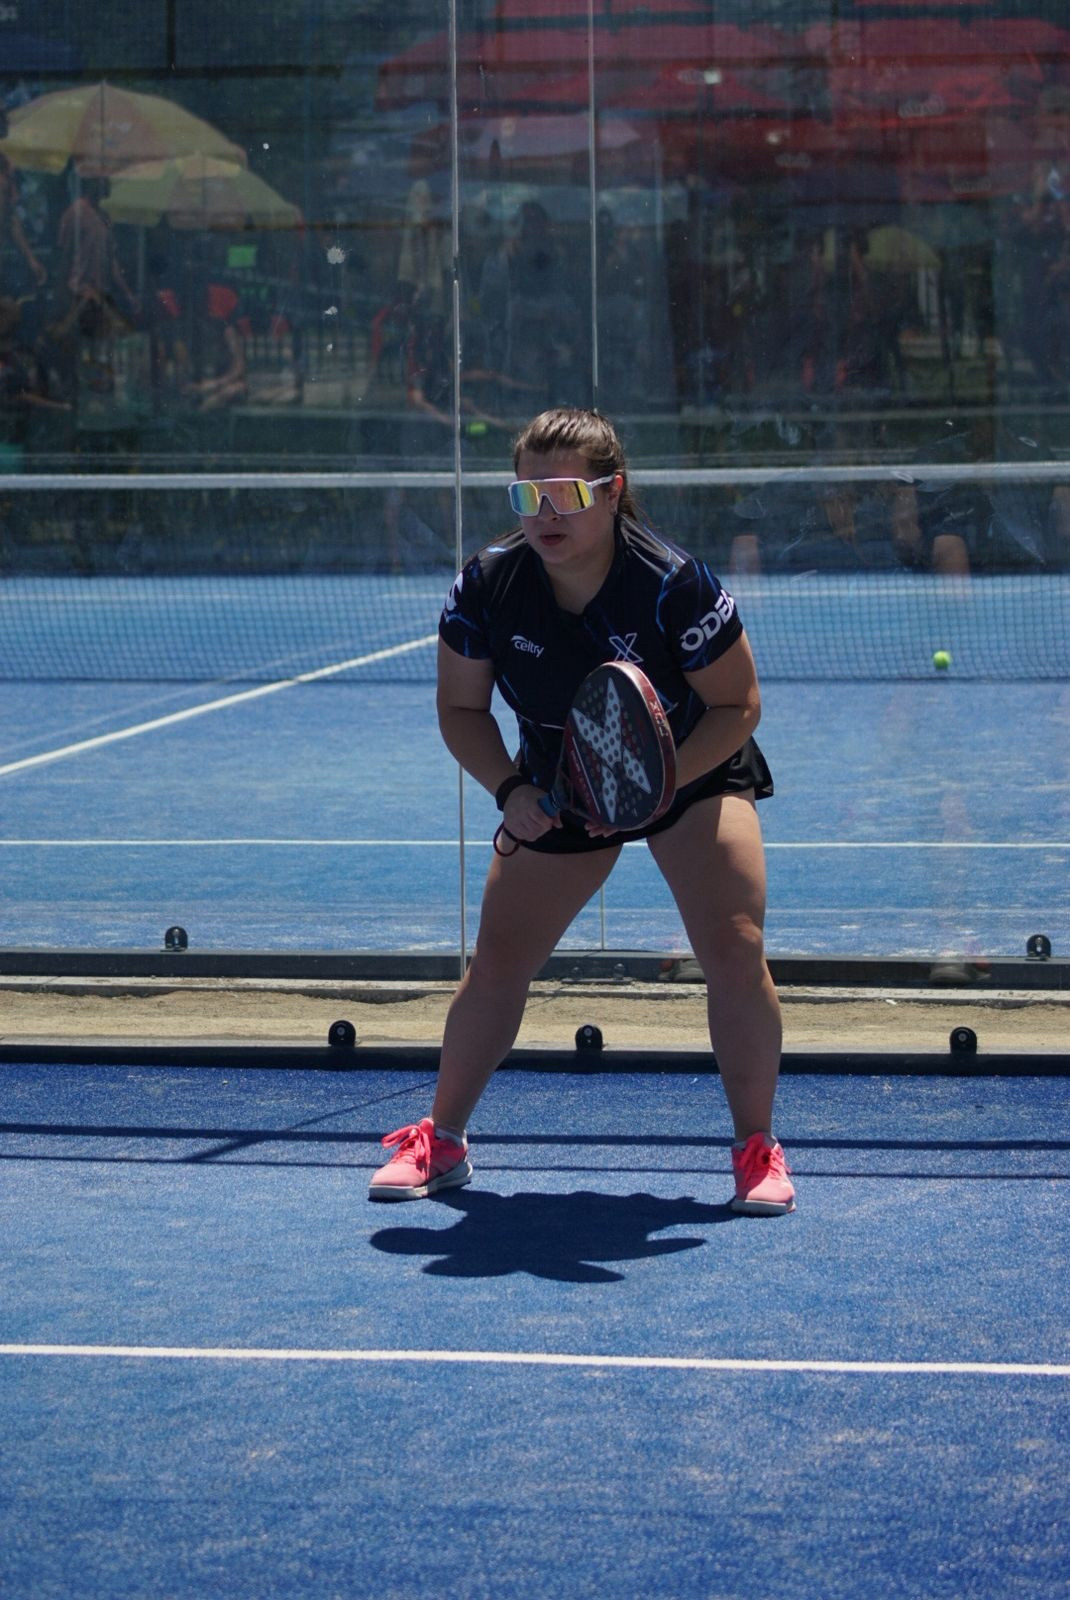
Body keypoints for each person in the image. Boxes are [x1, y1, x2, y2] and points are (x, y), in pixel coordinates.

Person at [369, 407, 794, 1216]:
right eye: (526, 495)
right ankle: (443, 1141)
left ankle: (756, 1149)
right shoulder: (487, 585)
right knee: (499, 959)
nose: (545, 513)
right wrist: (511, 791)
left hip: (691, 769)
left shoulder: (674, 582)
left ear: (613, 491)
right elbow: (460, 710)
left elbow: (738, 704)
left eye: (564, 492)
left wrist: (653, 787)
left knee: (735, 945)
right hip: (559, 783)